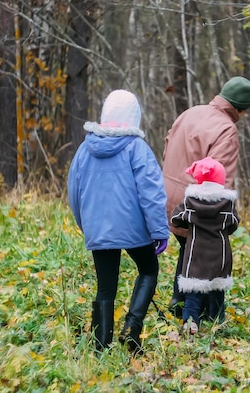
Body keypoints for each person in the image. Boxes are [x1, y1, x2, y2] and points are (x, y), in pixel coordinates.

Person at [67, 89, 169, 353]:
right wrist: (158, 230)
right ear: (134, 116)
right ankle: (132, 329)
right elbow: (152, 192)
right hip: (134, 228)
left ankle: (101, 346)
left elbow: (74, 192)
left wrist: (86, 225)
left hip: (98, 229)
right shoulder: (137, 148)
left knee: (105, 288)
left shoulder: (84, 149)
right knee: (148, 269)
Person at [163, 76, 250, 317]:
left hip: (169, 195)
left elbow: (167, 144)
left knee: (188, 248)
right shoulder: (226, 129)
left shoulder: (190, 112)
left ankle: (179, 301)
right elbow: (217, 180)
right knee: (207, 254)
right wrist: (225, 216)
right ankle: (204, 312)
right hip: (194, 202)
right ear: (240, 108)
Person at [171, 157, 240, 334]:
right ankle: (217, 320)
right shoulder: (227, 203)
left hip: (196, 251)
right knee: (217, 289)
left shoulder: (190, 201)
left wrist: (189, 224)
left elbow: (175, 219)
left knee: (193, 289)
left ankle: (191, 321)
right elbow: (233, 224)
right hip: (220, 252)